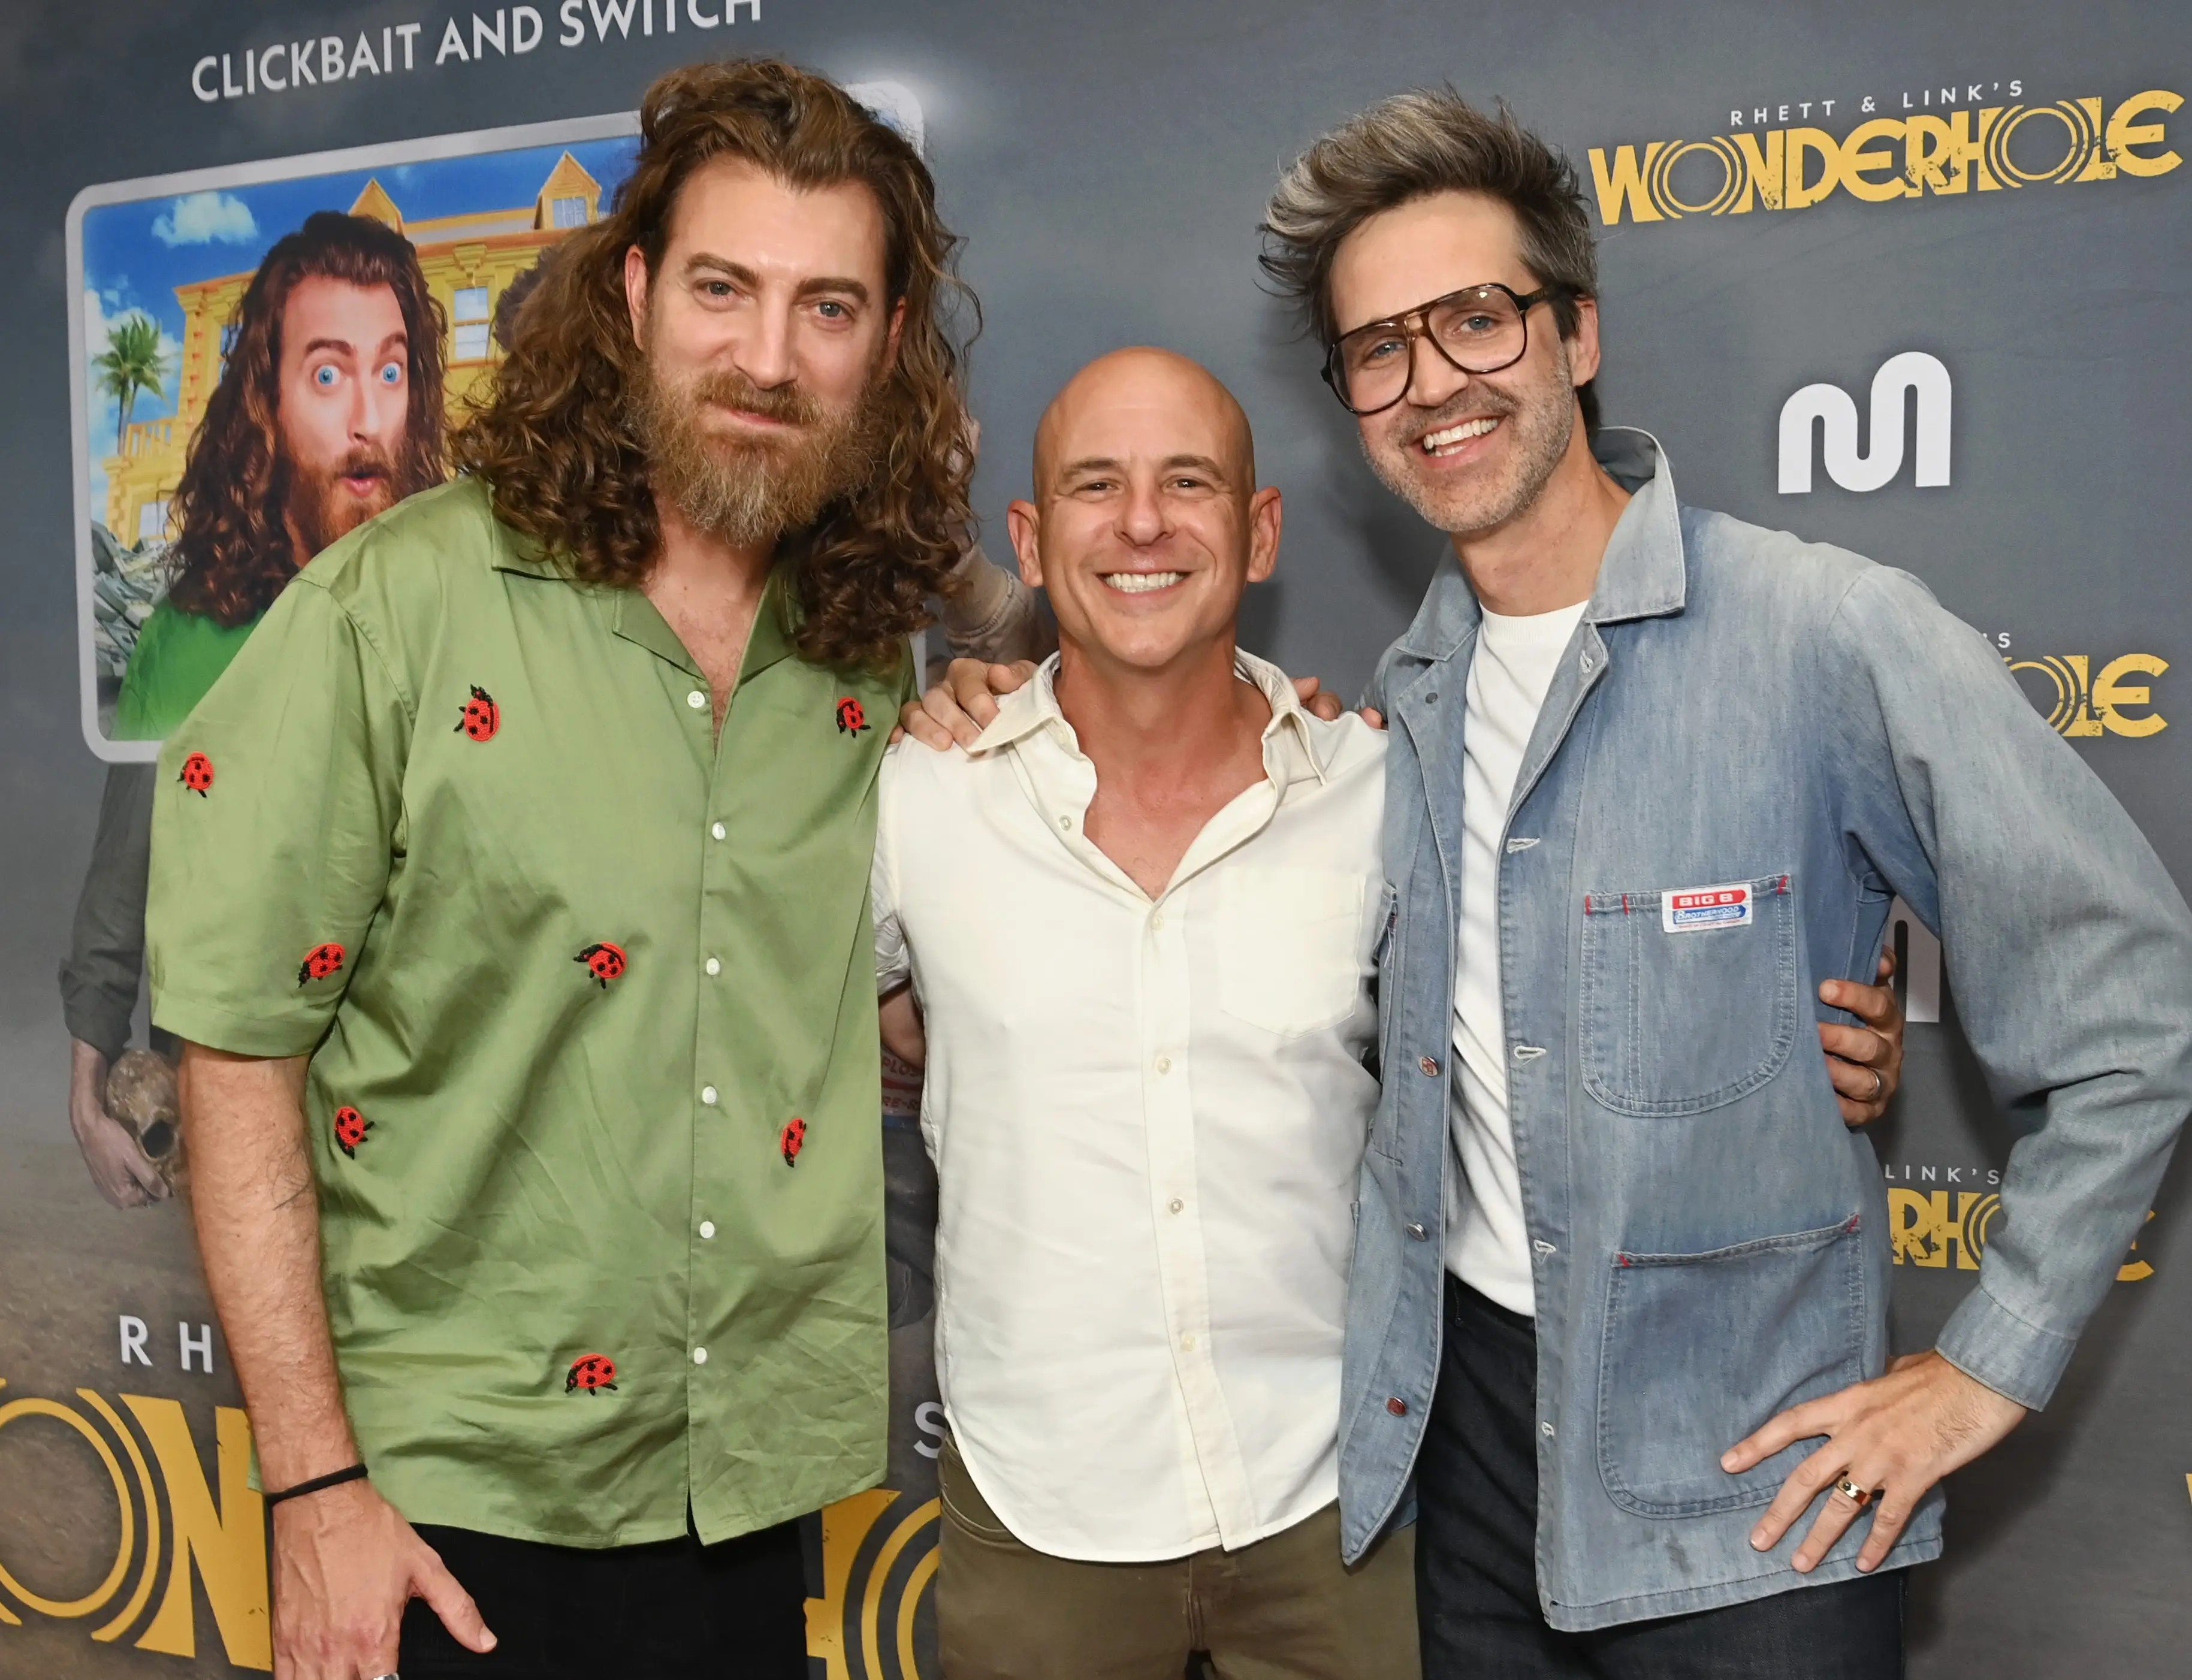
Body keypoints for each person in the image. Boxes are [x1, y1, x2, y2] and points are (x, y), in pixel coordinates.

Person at [1249, 91, 2192, 1676]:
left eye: (1475, 318)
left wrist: (1985, 1365)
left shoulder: (1825, 633)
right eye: (1378, 349)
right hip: (1466, 1472)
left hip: (1762, 1502)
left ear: (1574, 332)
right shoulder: (1403, 699)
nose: (1432, 384)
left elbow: (2129, 1012)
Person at [144, 59, 985, 1680]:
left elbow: (870, 1008)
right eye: (723, 289)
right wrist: (311, 1488)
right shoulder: (400, 606)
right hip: (440, 1509)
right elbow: (235, 1049)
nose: (767, 357)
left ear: (885, 347)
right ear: (635, 294)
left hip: (744, 1485)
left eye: (825, 308)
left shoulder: (866, 652)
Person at [889, 349, 1907, 1679]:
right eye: (1096, 486)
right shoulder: (916, 801)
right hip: (1040, 1512)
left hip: (1340, 1508)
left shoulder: (1385, 790)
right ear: (1029, 541)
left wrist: (1802, 1037)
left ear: (1259, 534)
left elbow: (1566, 984)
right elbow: (789, 1015)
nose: (1141, 523)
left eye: (1187, 483)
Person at [63, 210, 445, 1208]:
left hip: (429, 1147)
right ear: (267, 407)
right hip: (242, 1132)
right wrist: (88, 1090)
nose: (366, 417)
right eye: (327, 374)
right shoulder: (189, 638)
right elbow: (128, 863)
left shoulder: (466, 618)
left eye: (391, 370)